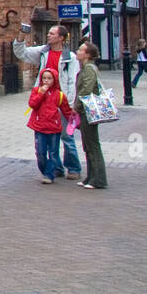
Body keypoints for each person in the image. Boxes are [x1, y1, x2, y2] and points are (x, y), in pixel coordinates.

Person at [13, 24, 83, 180]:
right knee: (49, 136)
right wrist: (21, 37)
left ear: (61, 38)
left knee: (66, 136)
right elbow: (21, 53)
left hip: (62, 101)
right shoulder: (43, 52)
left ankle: (73, 168)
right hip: (45, 101)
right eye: (49, 33)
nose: (48, 36)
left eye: (52, 33)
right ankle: (56, 168)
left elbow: (73, 81)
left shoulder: (70, 57)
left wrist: (70, 104)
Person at [26, 68, 75, 184]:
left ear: (54, 80)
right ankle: (45, 170)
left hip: (54, 128)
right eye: (44, 78)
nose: (46, 81)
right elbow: (32, 104)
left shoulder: (60, 95)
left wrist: (75, 124)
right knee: (40, 153)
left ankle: (49, 174)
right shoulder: (37, 91)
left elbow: (67, 111)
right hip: (40, 127)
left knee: (53, 153)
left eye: (49, 78)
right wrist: (41, 93)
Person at [73, 41, 108, 189]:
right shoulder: (86, 68)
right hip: (85, 110)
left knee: (92, 145)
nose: (78, 51)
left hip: (88, 110)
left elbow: (86, 90)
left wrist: (76, 106)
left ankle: (98, 179)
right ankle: (91, 176)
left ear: (88, 54)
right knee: (88, 145)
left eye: (81, 50)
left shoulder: (89, 69)